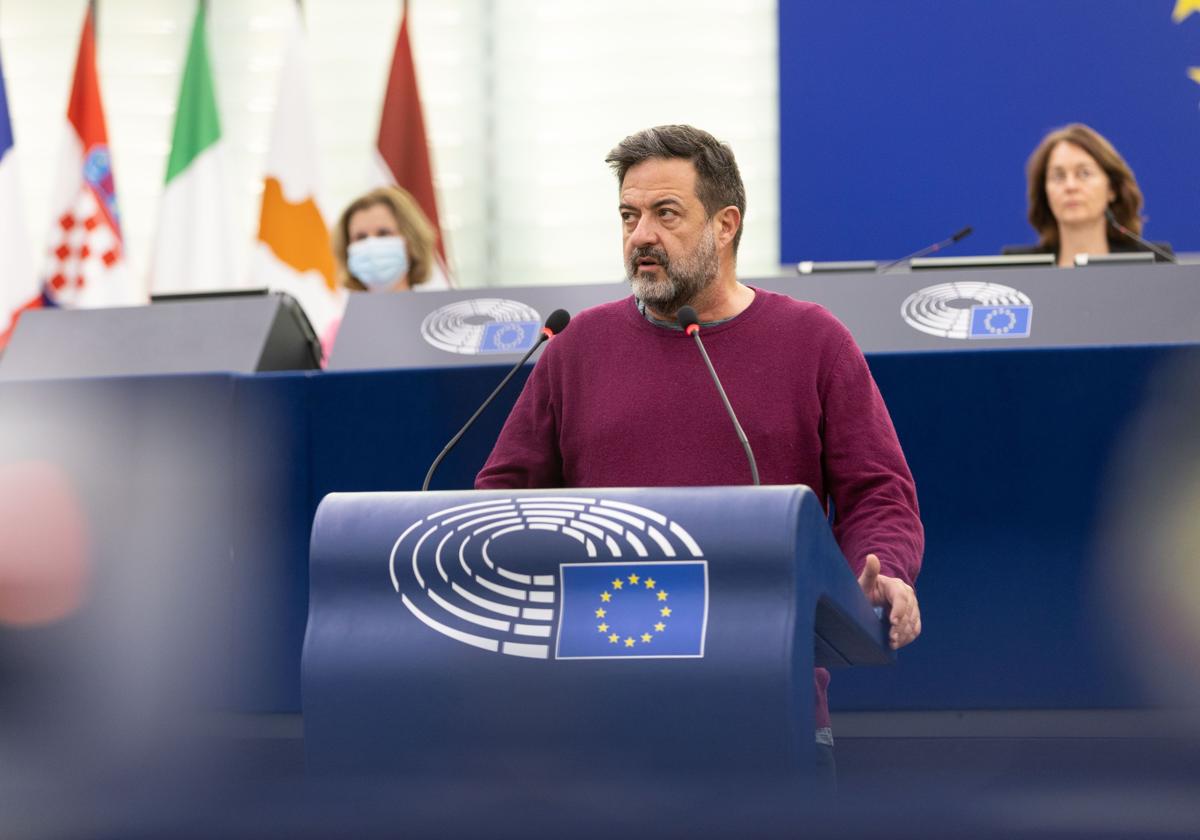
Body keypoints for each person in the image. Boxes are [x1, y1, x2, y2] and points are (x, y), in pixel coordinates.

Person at [475, 124, 923, 781]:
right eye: (628, 216)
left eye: (665, 214)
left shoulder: (813, 341)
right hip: (599, 722)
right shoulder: (576, 349)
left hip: (769, 709)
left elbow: (877, 494)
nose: (640, 237)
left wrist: (883, 574)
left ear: (725, 224)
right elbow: (500, 506)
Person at [1006, 123, 1172, 267]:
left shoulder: (1154, 263)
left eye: (1084, 173)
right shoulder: (1017, 268)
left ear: (1112, 189)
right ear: (1045, 192)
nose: (1070, 186)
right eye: (1058, 176)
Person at [322, 185, 442, 357]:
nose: (371, 244)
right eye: (360, 237)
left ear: (410, 242)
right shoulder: (337, 333)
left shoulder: (440, 322)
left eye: (383, 233)